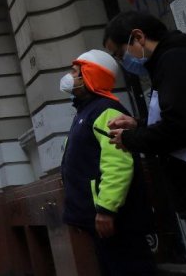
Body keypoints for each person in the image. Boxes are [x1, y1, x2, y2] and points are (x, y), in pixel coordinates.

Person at [103, 11, 186, 273]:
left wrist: (132, 138)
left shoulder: (176, 61)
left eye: (119, 53)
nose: (122, 62)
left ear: (138, 37)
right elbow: (184, 113)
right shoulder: (176, 60)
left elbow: (182, 126)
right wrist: (139, 124)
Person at [59, 49, 155, 275]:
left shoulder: (105, 111)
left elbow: (118, 165)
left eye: (75, 71)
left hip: (115, 221)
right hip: (99, 220)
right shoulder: (85, 112)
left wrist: (106, 209)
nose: (69, 76)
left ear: (90, 76)